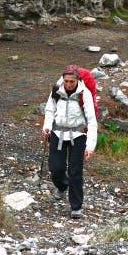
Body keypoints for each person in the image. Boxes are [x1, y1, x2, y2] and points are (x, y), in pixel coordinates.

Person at [42, 66, 98, 218]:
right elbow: (49, 110)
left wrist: (90, 146)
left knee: (75, 172)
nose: (68, 84)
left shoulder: (84, 94)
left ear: (78, 80)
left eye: (71, 81)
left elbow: (92, 120)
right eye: (66, 81)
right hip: (57, 133)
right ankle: (62, 186)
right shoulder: (56, 90)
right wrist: (47, 126)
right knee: (55, 168)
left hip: (78, 135)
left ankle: (76, 207)